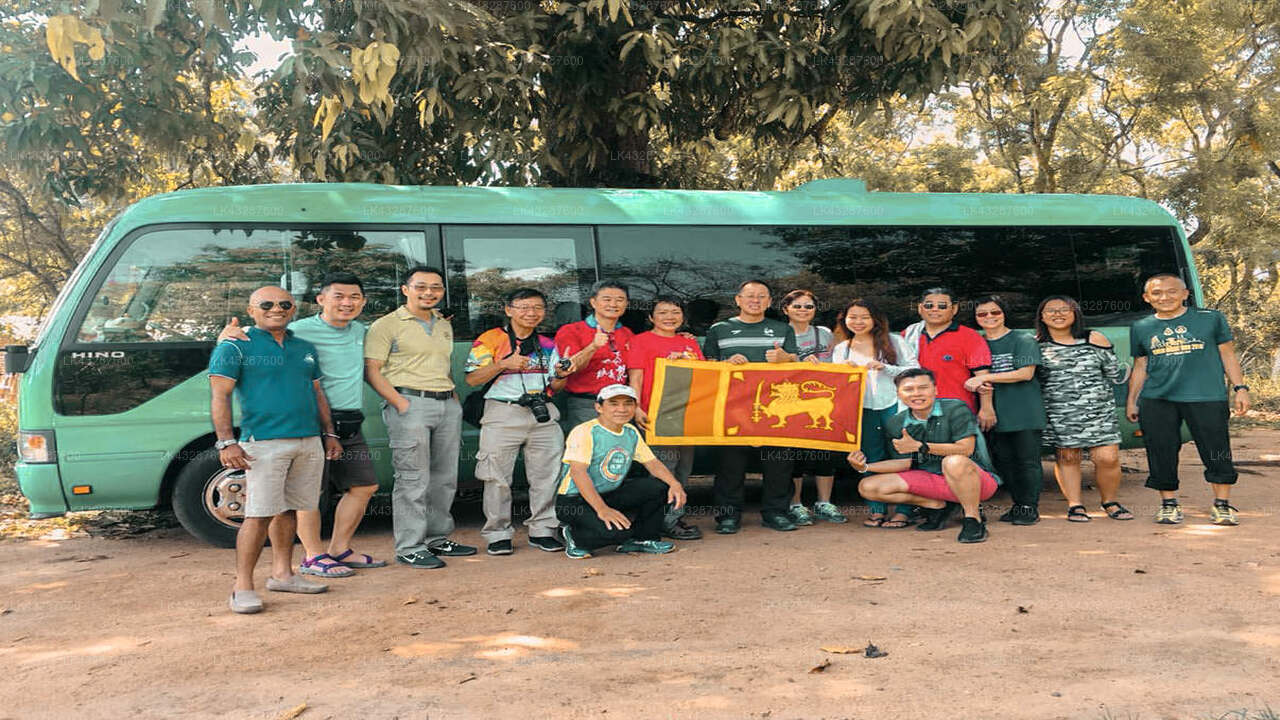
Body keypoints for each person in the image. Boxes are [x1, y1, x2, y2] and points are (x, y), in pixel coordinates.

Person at [219, 272, 386, 578]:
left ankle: (339, 549)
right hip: (308, 421)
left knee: (364, 485)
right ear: (321, 300)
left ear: (363, 301)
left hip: (347, 420)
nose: (347, 303)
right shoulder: (299, 329)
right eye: (339, 296)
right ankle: (313, 555)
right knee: (308, 496)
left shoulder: (360, 331)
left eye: (354, 297)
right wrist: (229, 334)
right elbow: (263, 329)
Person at [209, 286, 343, 614]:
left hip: (308, 440)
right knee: (258, 515)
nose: (276, 309)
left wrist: (329, 434)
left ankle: (283, 574)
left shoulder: (304, 347)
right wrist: (227, 442)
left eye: (284, 304)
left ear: (293, 308)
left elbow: (317, 393)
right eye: (266, 304)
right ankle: (242, 586)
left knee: (290, 510)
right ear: (251, 310)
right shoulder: (235, 346)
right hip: (264, 443)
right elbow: (220, 396)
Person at [365, 266, 475, 569]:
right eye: (421, 287)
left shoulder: (442, 323)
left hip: (445, 403)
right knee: (413, 478)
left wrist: (452, 396)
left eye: (436, 288)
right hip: (410, 404)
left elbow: (442, 363)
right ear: (406, 289)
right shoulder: (386, 325)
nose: (429, 293)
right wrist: (400, 403)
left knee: (444, 477)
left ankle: (438, 538)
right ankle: (410, 546)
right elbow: (371, 370)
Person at [1126, 273, 1249, 525]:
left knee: (1216, 450)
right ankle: (1169, 504)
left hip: (1206, 396)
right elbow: (1140, 366)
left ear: (1185, 294)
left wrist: (1240, 388)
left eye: (1172, 291)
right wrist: (1132, 400)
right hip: (1158, 399)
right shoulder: (1141, 327)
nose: (1165, 297)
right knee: (1161, 450)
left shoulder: (1210, 319)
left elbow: (1227, 354)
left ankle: (1222, 505)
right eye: (1157, 293)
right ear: (1147, 298)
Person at [464, 288, 576, 556]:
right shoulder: (490, 339)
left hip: (541, 411)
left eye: (537, 307)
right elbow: (472, 378)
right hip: (503, 411)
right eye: (524, 306)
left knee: (546, 476)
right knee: (496, 477)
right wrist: (505, 363)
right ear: (508, 309)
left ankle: (543, 529)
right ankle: (498, 533)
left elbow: (556, 385)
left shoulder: (548, 344)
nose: (531, 312)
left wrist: (561, 374)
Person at [849, 368, 1000, 543]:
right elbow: (906, 463)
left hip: (976, 481)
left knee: (954, 461)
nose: (916, 394)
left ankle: (973, 519)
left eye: (923, 388)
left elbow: (965, 449)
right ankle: (937, 505)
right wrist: (865, 467)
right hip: (933, 480)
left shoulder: (955, 408)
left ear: (935, 390)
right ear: (898, 394)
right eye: (909, 389)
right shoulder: (896, 422)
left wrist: (921, 446)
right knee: (867, 486)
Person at [701, 279, 799, 533]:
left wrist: (785, 358)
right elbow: (706, 369)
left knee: (778, 463)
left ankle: (776, 513)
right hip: (732, 408)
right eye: (750, 296)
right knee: (730, 465)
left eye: (761, 296)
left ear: (769, 301)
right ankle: (728, 516)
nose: (755, 300)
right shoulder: (719, 329)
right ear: (738, 300)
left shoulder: (782, 329)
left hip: (776, 409)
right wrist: (726, 363)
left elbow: (798, 366)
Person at [555, 384, 689, 559]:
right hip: (575, 501)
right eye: (614, 404)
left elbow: (653, 463)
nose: (622, 409)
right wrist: (602, 510)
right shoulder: (585, 431)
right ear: (599, 407)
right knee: (617, 535)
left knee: (658, 486)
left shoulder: (630, 431)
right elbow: (578, 473)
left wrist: (675, 484)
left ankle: (643, 539)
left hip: (609, 494)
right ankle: (574, 535)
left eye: (628, 404)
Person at [1036, 295, 1131, 522]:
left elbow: (1113, 373)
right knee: (1068, 457)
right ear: (1041, 316)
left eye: (1064, 309)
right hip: (1060, 413)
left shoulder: (1094, 338)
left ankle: (1110, 501)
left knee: (1107, 458)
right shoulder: (1036, 345)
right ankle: (1075, 504)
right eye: (1051, 310)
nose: (1058, 314)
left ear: (1075, 313)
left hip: (1099, 412)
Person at [831, 299, 919, 527]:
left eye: (864, 317)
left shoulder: (894, 342)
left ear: (875, 320)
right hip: (862, 409)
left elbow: (915, 371)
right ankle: (876, 510)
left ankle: (903, 511)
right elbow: (835, 384)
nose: (858, 322)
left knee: (902, 456)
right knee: (870, 458)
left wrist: (886, 368)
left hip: (895, 406)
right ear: (844, 320)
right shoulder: (842, 348)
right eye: (853, 317)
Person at [626, 295, 706, 540]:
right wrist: (637, 407)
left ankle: (673, 515)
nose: (670, 317)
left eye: (675, 312)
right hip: (657, 414)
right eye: (662, 313)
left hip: (686, 415)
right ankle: (663, 521)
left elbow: (704, 377)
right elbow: (636, 378)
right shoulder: (640, 342)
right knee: (663, 469)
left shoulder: (690, 344)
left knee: (684, 469)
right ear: (651, 317)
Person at [965, 295, 1046, 526]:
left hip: (1024, 410)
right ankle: (1017, 504)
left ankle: (1030, 506)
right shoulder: (976, 342)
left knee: (1027, 461)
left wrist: (987, 376)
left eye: (995, 312)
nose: (989, 317)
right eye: (982, 314)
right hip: (991, 412)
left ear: (1004, 314)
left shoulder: (1022, 340)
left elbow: (1025, 373)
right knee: (1004, 461)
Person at [780, 289, 844, 524]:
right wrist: (794, 360)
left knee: (825, 449)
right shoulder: (777, 334)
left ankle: (824, 502)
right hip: (793, 402)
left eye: (808, 306)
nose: (803, 311)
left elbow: (839, 361)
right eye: (797, 306)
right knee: (794, 453)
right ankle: (795, 504)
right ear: (785, 309)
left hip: (821, 398)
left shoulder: (825, 334)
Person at [901, 287, 994, 424]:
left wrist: (986, 408)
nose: (935, 309)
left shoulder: (969, 336)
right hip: (916, 412)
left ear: (954, 309)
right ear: (920, 308)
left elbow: (983, 377)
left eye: (942, 306)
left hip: (957, 412)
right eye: (929, 305)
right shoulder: (907, 336)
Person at [555, 281, 635, 429]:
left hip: (620, 403)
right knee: (588, 448)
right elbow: (571, 368)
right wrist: (593, 347)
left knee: (618, 449)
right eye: (607, 299)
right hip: (586, 404)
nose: (613, 304)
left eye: (620, 300)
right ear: (593, 302)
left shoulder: (627, 333)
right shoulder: (572, 330)